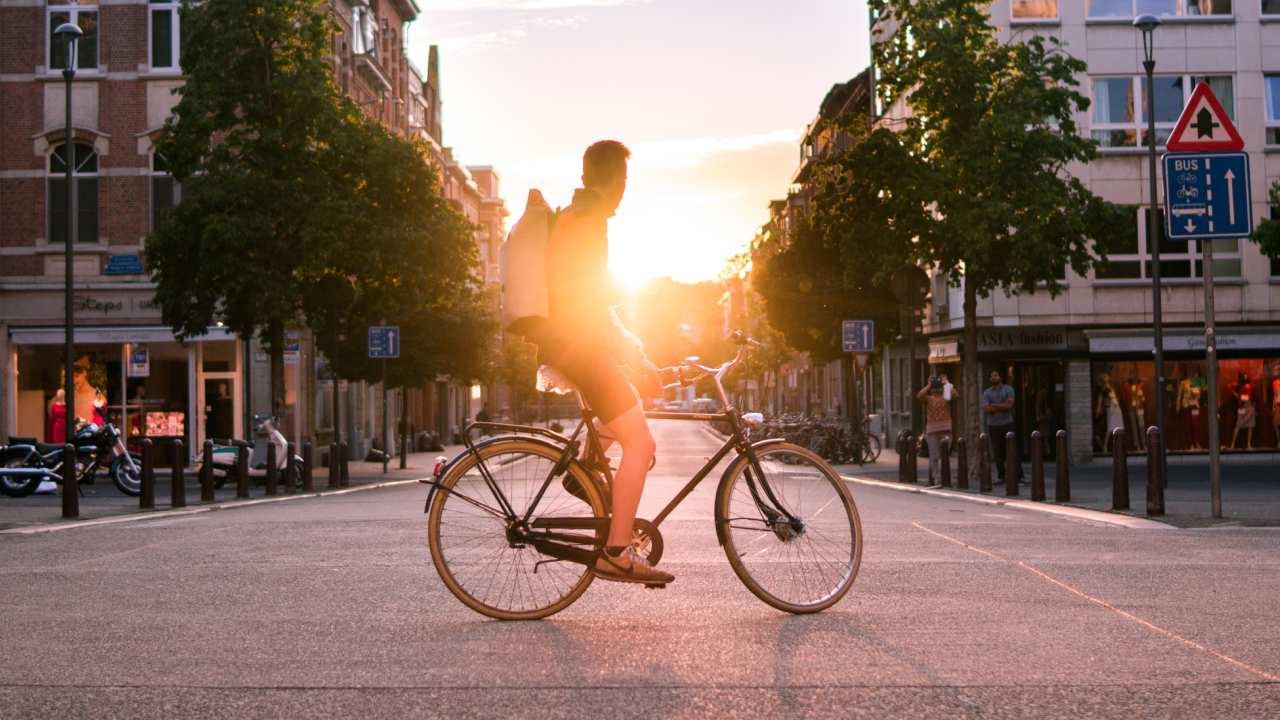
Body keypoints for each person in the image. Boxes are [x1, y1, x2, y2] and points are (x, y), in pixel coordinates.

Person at [539, 140, 672, 586]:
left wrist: (634, 353)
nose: (624, 190)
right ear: (614, 180)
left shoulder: (573, 214)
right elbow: (590, 302)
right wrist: (630, 354)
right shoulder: (590, 222)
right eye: (624, 181)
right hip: (578, 346)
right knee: (642, 445)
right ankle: (616, 552)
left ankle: (585, 470)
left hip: (568, 343)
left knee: (635, 401)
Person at [916, 375, 955, 486]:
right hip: (932, 431)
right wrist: (928, 385)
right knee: (934, 456)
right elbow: (919, 395)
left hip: (945, 429)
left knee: (945, 455)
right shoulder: (928, 398)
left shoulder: (946, 396)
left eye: (938, 387)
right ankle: (937, 479)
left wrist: (947, 382)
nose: (937, 389)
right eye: (935, 387)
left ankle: (946, 478)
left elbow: (955, 394)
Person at [983, 370, 1019, 485]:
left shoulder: (1008, 389)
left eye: (996, 375)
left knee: (1012, 450)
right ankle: (1001, 477)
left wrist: (994, 405)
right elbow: (986, 409)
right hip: (993, 425)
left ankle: (1018, 476)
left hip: (1008, 423)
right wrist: (1001, 406)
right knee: (998, 452)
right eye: (992, 376)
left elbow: (1009, 405)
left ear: (1000, 377)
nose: (994, 377)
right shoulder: (987, 392)